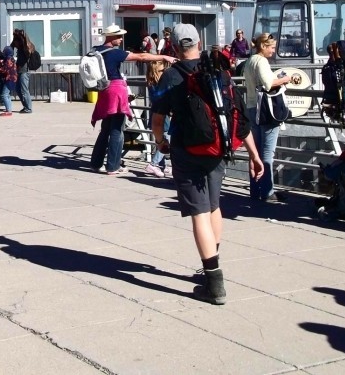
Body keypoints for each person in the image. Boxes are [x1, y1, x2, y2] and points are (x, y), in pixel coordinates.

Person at [149, 23, 263, 305]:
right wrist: (255, 155)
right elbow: (237, 117)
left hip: (187, 150)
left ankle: (214, 283)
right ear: (199, 43)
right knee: (213, 206)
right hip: (217, 149)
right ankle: (212, 262)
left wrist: (160, 142)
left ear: (174, 48)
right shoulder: (218, 71)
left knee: (198, 212)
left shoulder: (172, 75)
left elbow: (158, 119)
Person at [89, 24, 176, 176]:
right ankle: (113, 166)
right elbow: (142, 56)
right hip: (115, 90)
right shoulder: (114, 53)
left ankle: (96, 163)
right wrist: (164, 57)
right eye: (118, 36)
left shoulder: (96, 50)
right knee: (117, 129)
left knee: (105, 129)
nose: (121, 39)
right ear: (111, 37)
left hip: (104, 91)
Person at [242, 33, 293, 202]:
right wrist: (285, 79)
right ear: (263, 46)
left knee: (255, 151)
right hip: (265, 110)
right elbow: (267, 83)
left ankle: (256, 189)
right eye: (271, 47)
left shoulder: (250, 61)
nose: (273, 51)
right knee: (267, 153)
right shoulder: (262, 61)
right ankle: (267, 191)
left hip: (251, 107)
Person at [11, 28, 34, 113]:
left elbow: (27, 49)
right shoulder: (19, 48)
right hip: (19, 71)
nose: (15, 44)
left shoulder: (26, 47)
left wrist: (23, 37)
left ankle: (28, 108)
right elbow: (11, 46)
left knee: (24, 90)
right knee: (18, 89)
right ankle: (25, 106)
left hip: (24, 71)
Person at [0, 47, 18, 117]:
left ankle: (8, 111)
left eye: (4, 51)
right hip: (13, 78)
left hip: (10, 78)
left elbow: (6, 69)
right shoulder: (11, 58)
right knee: (7, 95)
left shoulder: (8, 59)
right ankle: (9, 109)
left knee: (4, 95)